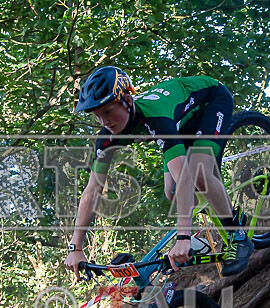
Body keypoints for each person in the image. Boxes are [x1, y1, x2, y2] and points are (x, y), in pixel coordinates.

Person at [63, 66, 253, 281]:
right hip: (181, 121)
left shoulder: (155, 118)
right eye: (98, 115)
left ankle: (237, 234)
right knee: (172, 192)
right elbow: (92, 190)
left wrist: (183, 237)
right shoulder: (107, 138)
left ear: (127, 100)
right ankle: (216, 210)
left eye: (108, 111)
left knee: (198, 173)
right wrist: (75, 247)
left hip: (211, 100)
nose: (104, 121)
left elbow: (185, 177)